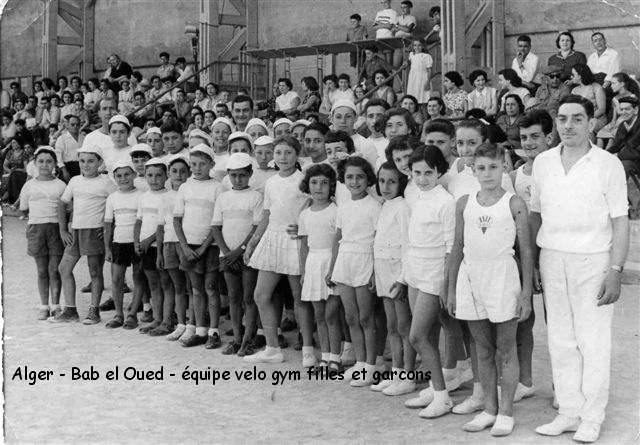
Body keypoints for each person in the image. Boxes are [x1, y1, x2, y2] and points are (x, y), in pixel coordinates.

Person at [531, 95, 629, 443]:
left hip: (594, 260)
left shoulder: (607, 164)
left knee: (593, 339)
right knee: (560, 339)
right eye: (562, 119)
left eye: (576, 118)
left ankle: (592, 416)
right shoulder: (543, 162)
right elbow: (536, 213)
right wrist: (534, 265)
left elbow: (620, 221)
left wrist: (615, 268)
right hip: (553, 257)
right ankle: (569, 411)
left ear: (591, 123)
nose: (568, 126)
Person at [447, 143, 533, 436]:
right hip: (471, 277)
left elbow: (525, 250)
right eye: (481, 168)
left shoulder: (515, 203)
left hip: (503, 276)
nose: (487, 174)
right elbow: (457, 247)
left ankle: (506, 413)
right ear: (473, 169)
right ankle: (488, 409)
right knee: (482, 349)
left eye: (493, 167)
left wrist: (525, 295)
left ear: (504, 167)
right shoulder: (464, 203)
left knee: (506, 349)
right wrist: (451, 290)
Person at [243, 136, 309, 363]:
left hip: (294, 241)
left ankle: (308, 348)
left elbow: (313, 210)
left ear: (297, 155)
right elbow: (267, 215)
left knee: (299, 298)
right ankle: (272, 348)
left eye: (288, 153)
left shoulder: (304, 180)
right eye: (278, 152)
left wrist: (303, 228)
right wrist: (253, 242)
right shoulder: (271, 182)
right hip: (272, 239)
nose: (282, 157)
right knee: (261, 295)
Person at [508, 110, 553, 403]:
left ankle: (564, 387)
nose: (529, 143)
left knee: (557, 320)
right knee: (523, 319)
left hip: (552, 251)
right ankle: (525, 380)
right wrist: (529, 262)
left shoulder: (556, 170)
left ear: (549, 137)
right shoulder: (513, 176)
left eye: (535, 136)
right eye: (524, 138)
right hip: (523, 254)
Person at [328, 155, 381, 386]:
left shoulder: (374, 206)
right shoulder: (344, 205)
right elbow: (338, 237)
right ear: (343, 179)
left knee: (366, 317)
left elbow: (378, 240)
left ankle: (371, 366)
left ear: (368, 179)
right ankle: (360, 363)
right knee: (351, 317)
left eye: (360, 177)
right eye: (349, 177)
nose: (355, 181)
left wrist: (373, 272)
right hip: (345, 261)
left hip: (365, 259)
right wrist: (332, 268)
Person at [51, 145, 116, 323]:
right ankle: (71, 310)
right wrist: (63, 230)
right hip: (76, 230)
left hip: (95, 232)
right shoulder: (74, 181)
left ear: (100, 162)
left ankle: (94, 311)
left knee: (95, 272)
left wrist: (108, 229)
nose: (86, 165)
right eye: (82, 161)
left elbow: (117, 205)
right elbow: (62, 203)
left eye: (91, 161)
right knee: (64, 268)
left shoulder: (107, 182)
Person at [211, 152, 262, 355]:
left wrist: (240, 250)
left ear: (250, 174)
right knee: (233, 297)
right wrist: (226, 252)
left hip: (247, 255)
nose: (238, 179)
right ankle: (237, 338)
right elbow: (216, 227)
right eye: (233, 175)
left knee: (249, 298)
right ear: (228, 176)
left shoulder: (256, 197)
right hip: (227, 256)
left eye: (242, 175)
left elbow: (256, 228)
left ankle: (248, 340)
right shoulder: (223, 198)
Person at [172, 144, 223, 347]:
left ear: (211, 164)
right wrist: (185, 247)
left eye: (202, 164)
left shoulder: (217, 187)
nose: (197, 168)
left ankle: (214, 331)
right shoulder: (185, 187)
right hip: (188, 246)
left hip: (209, 246)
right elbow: (177, 220)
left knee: (211, 288)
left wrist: (203, 247)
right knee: (196, 289)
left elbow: (218, 222)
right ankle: (200, 330)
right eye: (194, 164)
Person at [370, 161, 412, 394]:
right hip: (384, 271)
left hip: (398, 273)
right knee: (392, 326)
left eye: (392, 181)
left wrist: (404, 278)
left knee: (404, 326)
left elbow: (407, 244)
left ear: (402, 183)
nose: (385, 186)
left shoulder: (403, 207)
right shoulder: (384, 205)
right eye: (382, 180)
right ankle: (396, 373)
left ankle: (407, 376)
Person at [298, 163, 340, 369]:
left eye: (324, 183)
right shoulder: (305, 214)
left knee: (332, 315)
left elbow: (338, 242)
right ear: (308, 185)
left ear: (332, 186)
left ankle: (336, 357)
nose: (319, 187)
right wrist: (304, 271)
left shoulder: (336, 211)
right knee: (319, 315)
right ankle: (325, 355)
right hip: (313, 264)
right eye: (314, 182)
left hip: (331, 263)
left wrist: (334, 268)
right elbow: (304, 245)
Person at [19, 147, 66, 320]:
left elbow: (66, 209)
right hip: (36, 229)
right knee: (41, 270)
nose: (45, 164)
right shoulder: (29, 185)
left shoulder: (61, 185)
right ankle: (44, 305)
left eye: (49, 161)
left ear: (54, 164)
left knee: (55, 270)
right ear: (35, 163)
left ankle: (56, 305)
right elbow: (23, 208)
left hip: (55, 229)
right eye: (41, 161)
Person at [134, 158, 175, 336]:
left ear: (166, 176)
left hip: (161, 246)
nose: (154, 179)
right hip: (145, 248)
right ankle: (157, 318)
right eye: (150, 175)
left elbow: (164, 226)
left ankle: (168, 320)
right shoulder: (143, 197)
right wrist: (137, 242)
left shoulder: (170, 196)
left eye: (158, 175)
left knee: (166, 283)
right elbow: (139, 221)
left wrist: (150, 240)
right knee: (153, 284)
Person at [102, 160, 143, 328]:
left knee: (139, 278)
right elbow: (107, 225)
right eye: (119, 175)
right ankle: (119, 314)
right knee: (117, 279)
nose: (123, 178)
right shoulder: (112, 198)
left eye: (127, 174)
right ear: (114, 178)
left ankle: (132, 314)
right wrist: (107, 248)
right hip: (119, 243)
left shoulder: (141, 195)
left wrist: (139, 243)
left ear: (134, 175)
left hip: (136, 243)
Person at [157, 156, 191, 341]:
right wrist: (160, 251)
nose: (178, 175)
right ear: (169, 174)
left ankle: (193, 323)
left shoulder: (190, 193)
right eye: (174, 171)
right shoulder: (165, 197)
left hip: (186, 243)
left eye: (182, 171)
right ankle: (180, 324)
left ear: (189, 173)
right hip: (169, 243)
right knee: (177, 286)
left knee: (191, 285)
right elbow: (161, 226)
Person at [599, 72, 640, 147]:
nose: (611, 86)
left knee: (611, 139)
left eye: (614, 83)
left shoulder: (632, 97)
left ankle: (609, 154)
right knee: (600, 135)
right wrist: (611, 125)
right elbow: (614, 118)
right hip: (616, 122)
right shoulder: (614, 98)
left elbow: (634, 115)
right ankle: (596, 156)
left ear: (622, 84)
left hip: (626, 122)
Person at [607, 96, 640, 178]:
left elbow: (637, 152)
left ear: (636, 110)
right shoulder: (623, 125)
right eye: (621, 110)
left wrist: (617, 155)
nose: (623, 112)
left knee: (624, 165)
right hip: (626, 158)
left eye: (627, 109)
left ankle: (615, 190)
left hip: (637, 161)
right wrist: (607, 155)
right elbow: (616, 145)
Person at [570, 64, 607, 135]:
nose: (571, 77)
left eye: (573, 75)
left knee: (585, 132)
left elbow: (601, 109)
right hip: (579, 120)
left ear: (580, 76)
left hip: (596, 119)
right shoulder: (574, 91)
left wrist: (585, 119)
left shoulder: (597, 88)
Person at [406, 38, 433, 105]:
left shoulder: (426, 56)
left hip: (422, 79)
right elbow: (409, 62)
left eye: (419, 45)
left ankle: (425, 113)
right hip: (413, 79)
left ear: (423, 46)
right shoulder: (411, 54)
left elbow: (429, 71)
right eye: (415, 45)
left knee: (423, 98)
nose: (417, 47)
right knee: (413, 97)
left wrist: (428, 82)